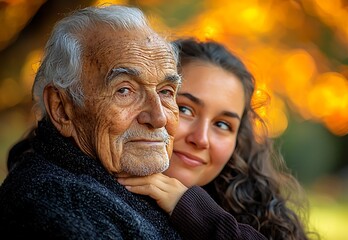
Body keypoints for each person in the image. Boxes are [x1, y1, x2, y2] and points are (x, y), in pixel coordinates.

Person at [0, 5, 183, 239]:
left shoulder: (169, 192)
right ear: (61, 109)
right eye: (124, 90)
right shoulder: (58, 204)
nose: (159, 118)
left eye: (166, 91)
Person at [117, 38, 315, 240]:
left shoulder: (249, 217)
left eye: (222, 125)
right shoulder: (98, 199)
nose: (201, 139)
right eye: (185, 109)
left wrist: (199, 215)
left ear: (238, 141)